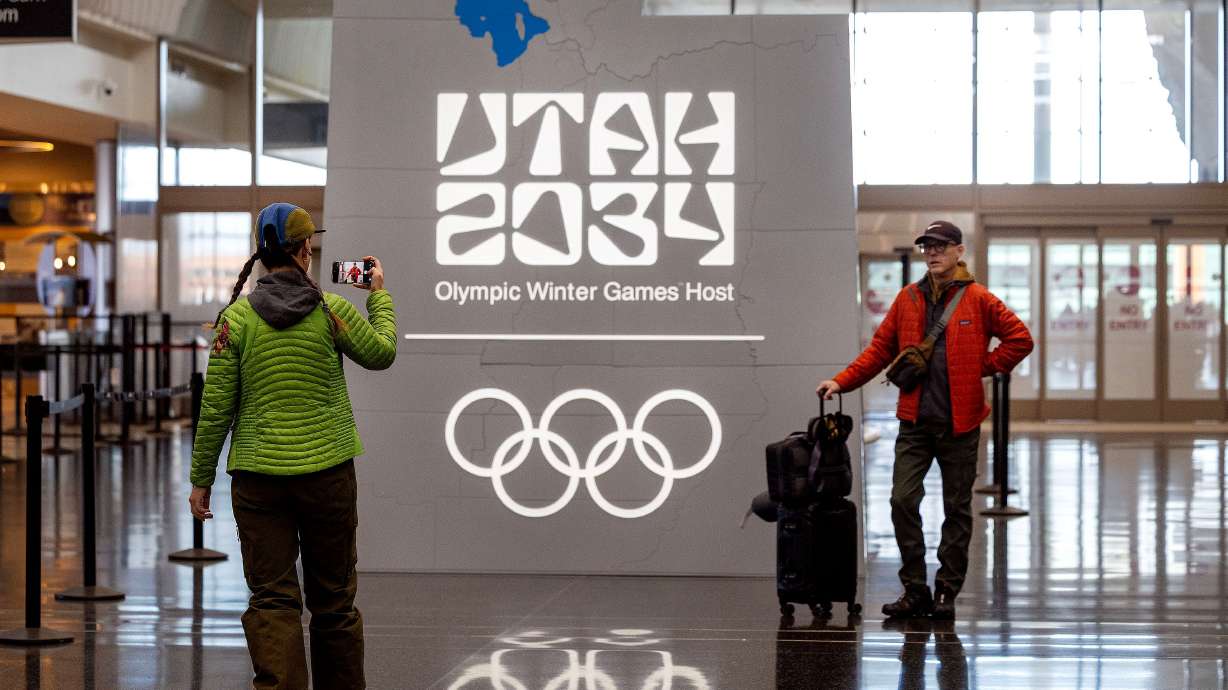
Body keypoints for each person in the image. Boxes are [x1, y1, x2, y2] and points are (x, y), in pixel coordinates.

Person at [187, 202, 397, 689]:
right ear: (306, 250)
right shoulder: (333, 310)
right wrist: (379, 297)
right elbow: (383, 353)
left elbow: (215, 408)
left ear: (261, 256)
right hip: (328, 478)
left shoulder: (234, 321)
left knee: (272, 601)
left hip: (259, 484)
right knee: (334, 602)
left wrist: (201, 480)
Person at [815, 221, 1032, 621]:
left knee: (956, 509)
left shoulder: (979, 299)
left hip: (960, 425)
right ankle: (915, 590)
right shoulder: (908, 299)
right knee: (901, 500)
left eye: (940, 246)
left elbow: (1020, 338)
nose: (932, 253)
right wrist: (841, 382)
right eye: (927, 247)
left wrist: (982, 367)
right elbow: (879, 351)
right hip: (915, 422)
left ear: (959, 251)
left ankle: (946, 591)